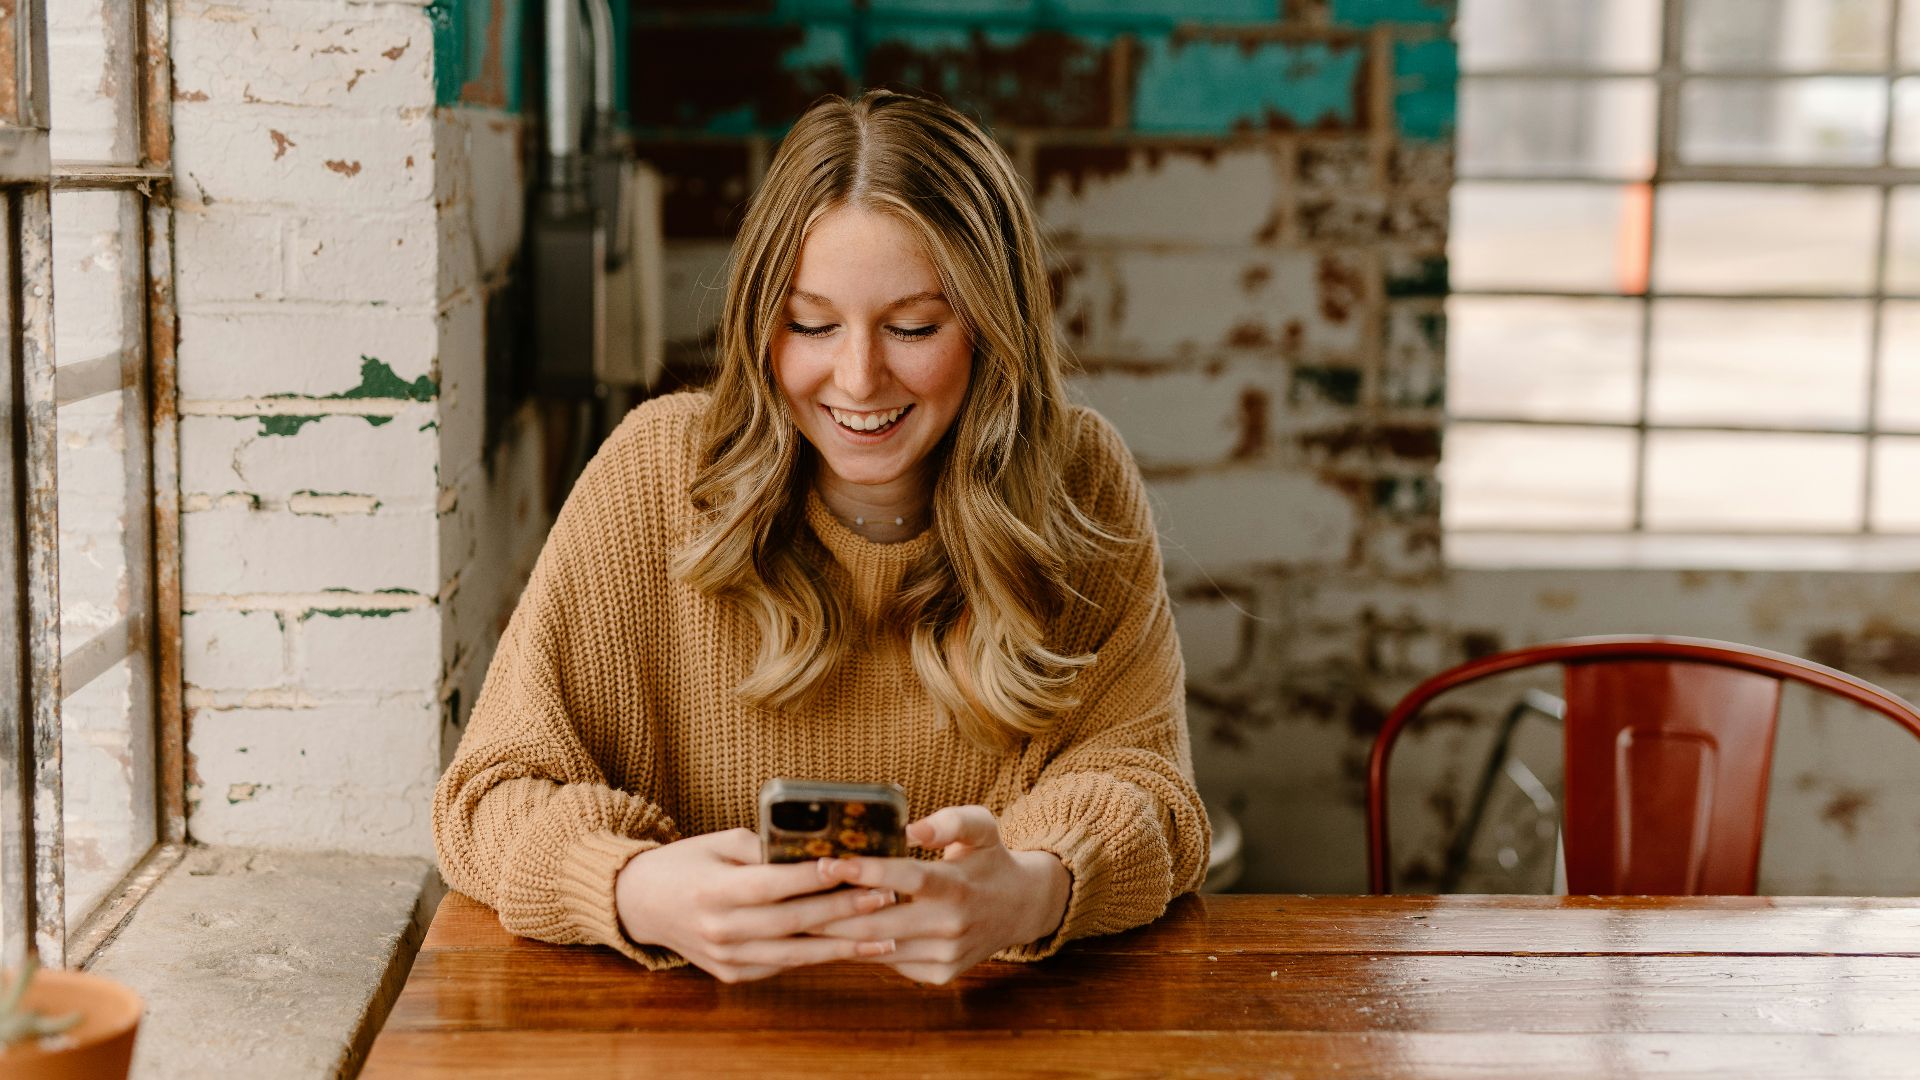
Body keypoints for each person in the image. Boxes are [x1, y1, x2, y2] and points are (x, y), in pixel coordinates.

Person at [432, 88, 1209, 985]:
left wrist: (1032, 892)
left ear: (994, 333)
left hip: (985, 1038)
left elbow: (1152, 793)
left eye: (914, 327)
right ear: (762, 322)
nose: (858, 377)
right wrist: (636, 889)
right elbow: (487, 797)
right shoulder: (653, 473)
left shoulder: (1080, 480)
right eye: (811, 324)